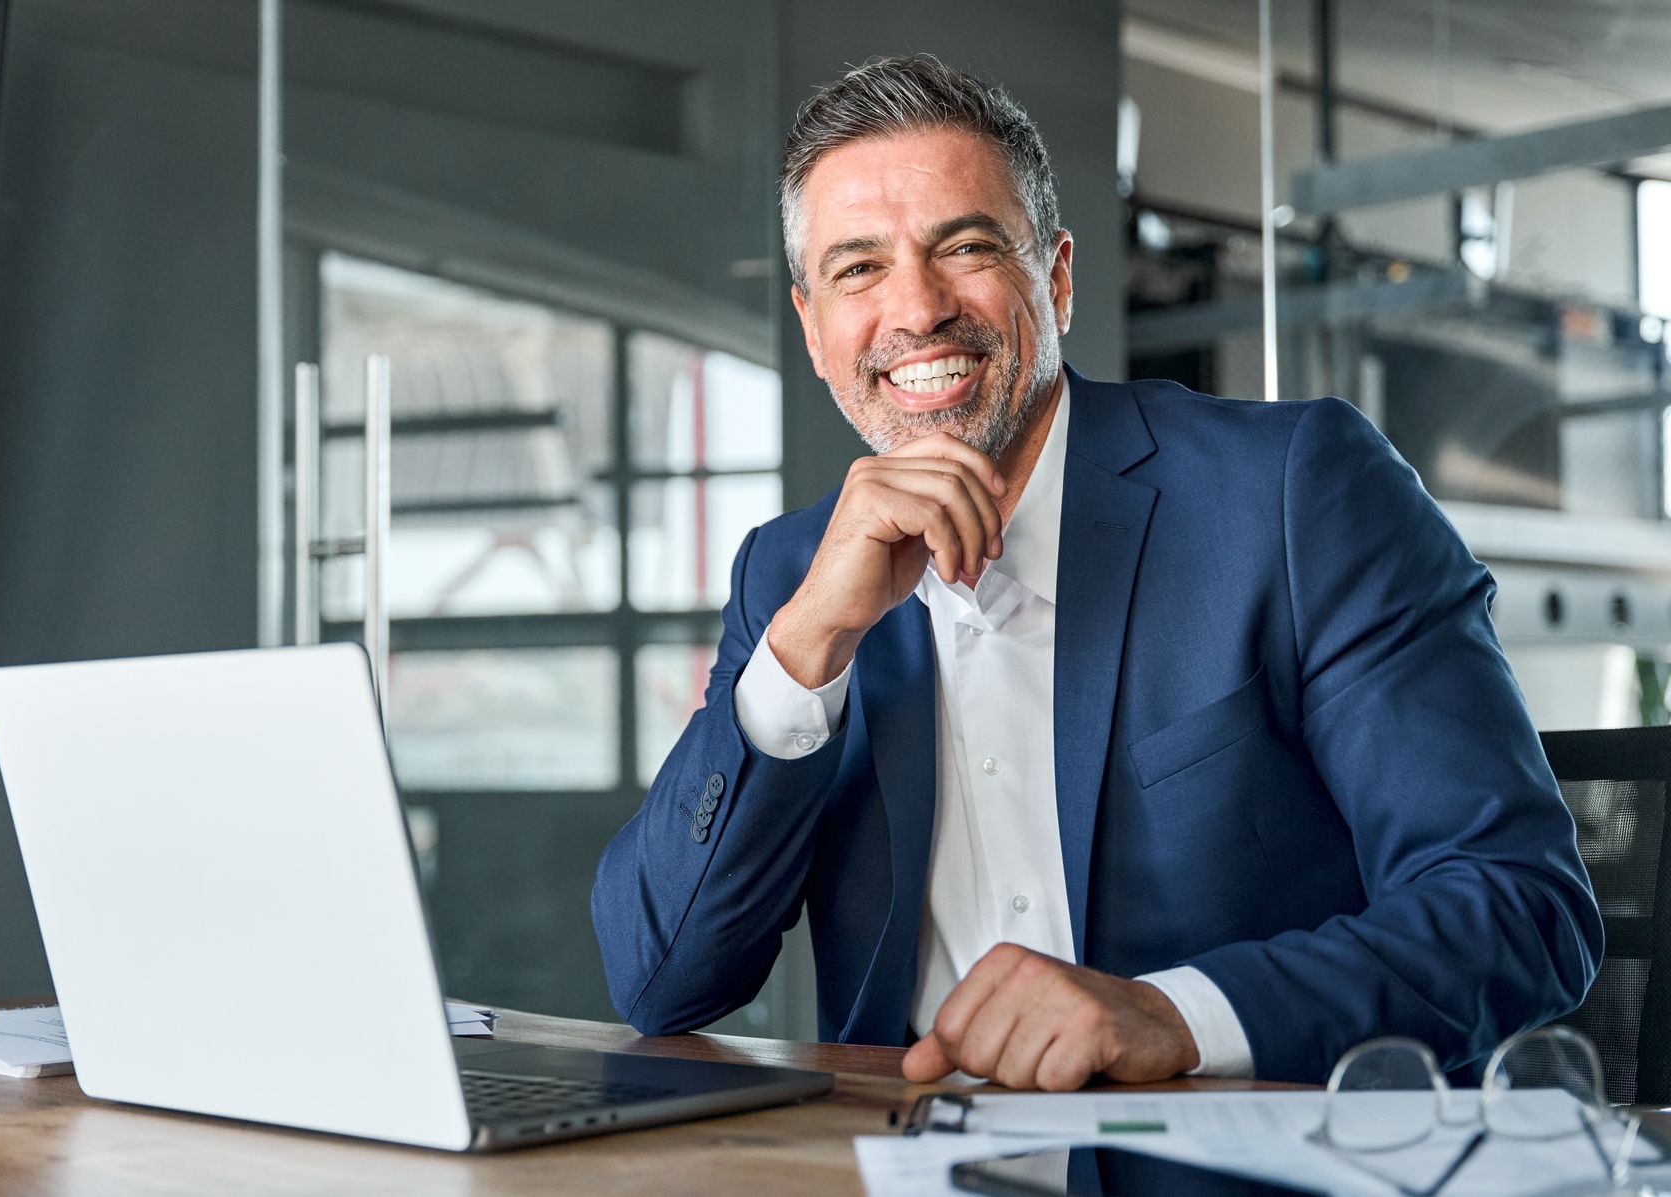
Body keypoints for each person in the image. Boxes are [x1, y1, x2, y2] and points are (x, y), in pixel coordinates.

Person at [590, 54, 1600, 1089]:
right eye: (859, 270)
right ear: (812, 327)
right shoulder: (791, 573)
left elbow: (1518, 908)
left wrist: (1174, 1016)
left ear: (1058, 278)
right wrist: (806, 647)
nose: (919, 308)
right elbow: (662, 979)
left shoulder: (1293, 493)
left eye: (967, 247)